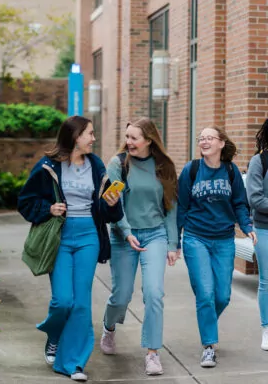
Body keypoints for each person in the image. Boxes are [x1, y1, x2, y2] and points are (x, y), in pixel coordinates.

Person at [18, 116, 123, 382]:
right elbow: (25, 201)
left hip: (89, 235)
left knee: (81, 304)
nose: (94, 138)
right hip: (61, 237)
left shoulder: (96, 165)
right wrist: (48, 209)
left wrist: (111, 202)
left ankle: (73, 363)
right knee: (63, 300)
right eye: (90, 133)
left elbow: (109, 213)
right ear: (75, 136)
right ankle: (54, 334)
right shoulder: (48, 166)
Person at [100, 118, 178, 376]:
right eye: (127, 137)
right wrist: (126, 231)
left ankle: (153, 353)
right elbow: (114, 202)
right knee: (121, 296)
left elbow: (170, 207)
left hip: (154, 234)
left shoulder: (164, 166)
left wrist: (171, 243)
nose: (129, 142)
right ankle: (109, 327)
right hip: (124, 237)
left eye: (134, 138)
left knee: (154, 293)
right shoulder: (118, 164)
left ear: (149, 140)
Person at [177, 125, 257, 368]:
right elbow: (181, 207)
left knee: (222, 295)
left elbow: (240, 204)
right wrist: (174, 242)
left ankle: (206, 319)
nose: (204, 142)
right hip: (195, 238)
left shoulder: (231, 172)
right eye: (201, 138)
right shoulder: (191, 171)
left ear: (221, 143)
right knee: (205, 293)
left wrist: (247, 226)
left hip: (223, 239)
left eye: (209, 138)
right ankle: (209, 347)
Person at [246, 119, 268, 351]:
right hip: (264, 228)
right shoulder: (259, 160)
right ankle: (267, 328)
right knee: (267, 281)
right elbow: (255, 199)